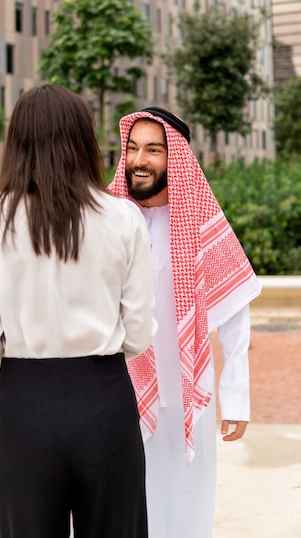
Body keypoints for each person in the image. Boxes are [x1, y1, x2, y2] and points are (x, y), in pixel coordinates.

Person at [0, 84, 157, 538]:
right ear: (83, 140)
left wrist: (12, 362)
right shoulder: (122, 218)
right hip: (105, 399)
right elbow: (139, 332)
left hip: (23, 405)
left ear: (16, 142)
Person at [109, 107, 261, 538]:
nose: (139, 159)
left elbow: (234, 320)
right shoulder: (108, 222)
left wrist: (235, 401)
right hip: (117, 397)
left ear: (174, 159)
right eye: (133, 148)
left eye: (153, 150)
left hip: (186, 398)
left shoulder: (202, 225)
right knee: (123, 507)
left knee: (186, 512)